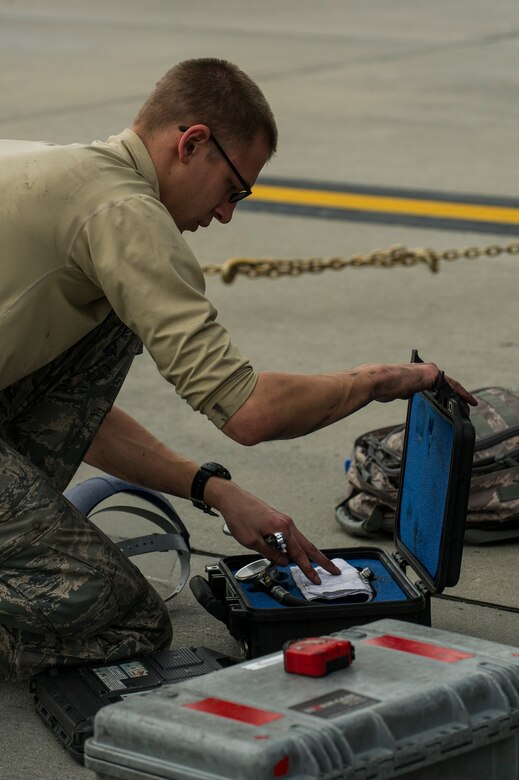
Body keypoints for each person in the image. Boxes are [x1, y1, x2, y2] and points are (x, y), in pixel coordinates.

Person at [0, 58, 477, 681]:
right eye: (234, 189)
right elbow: (249, 411)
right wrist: (379, 381)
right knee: (128, 619)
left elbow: (75, 418)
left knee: (115, 323)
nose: (227, 214)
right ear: (192, 142)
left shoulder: (51, 169)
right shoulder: (123, 213)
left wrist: (214, 490)